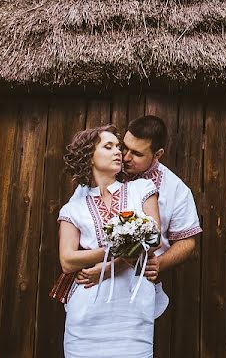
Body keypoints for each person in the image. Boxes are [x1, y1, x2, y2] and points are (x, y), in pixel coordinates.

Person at [51, 115, 202, 320]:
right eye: (125, 147)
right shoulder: (96, 179)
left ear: (157, 154)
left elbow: (187, 242)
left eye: (137, 153)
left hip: (136, 286)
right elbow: (74, 225)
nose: (126, 157)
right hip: (91, 288)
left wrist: (160, 263)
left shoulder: (175, 189)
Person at [57, 125, 160, 358]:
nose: (118, 153)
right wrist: (116, 248)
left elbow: (153, 239)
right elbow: (67, 260)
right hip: (86, 314)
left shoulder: (142, 190)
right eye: (108, 146)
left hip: (133, 313)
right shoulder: (73, 208)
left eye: (118, 146)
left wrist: (107, 266)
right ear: (89, 157)